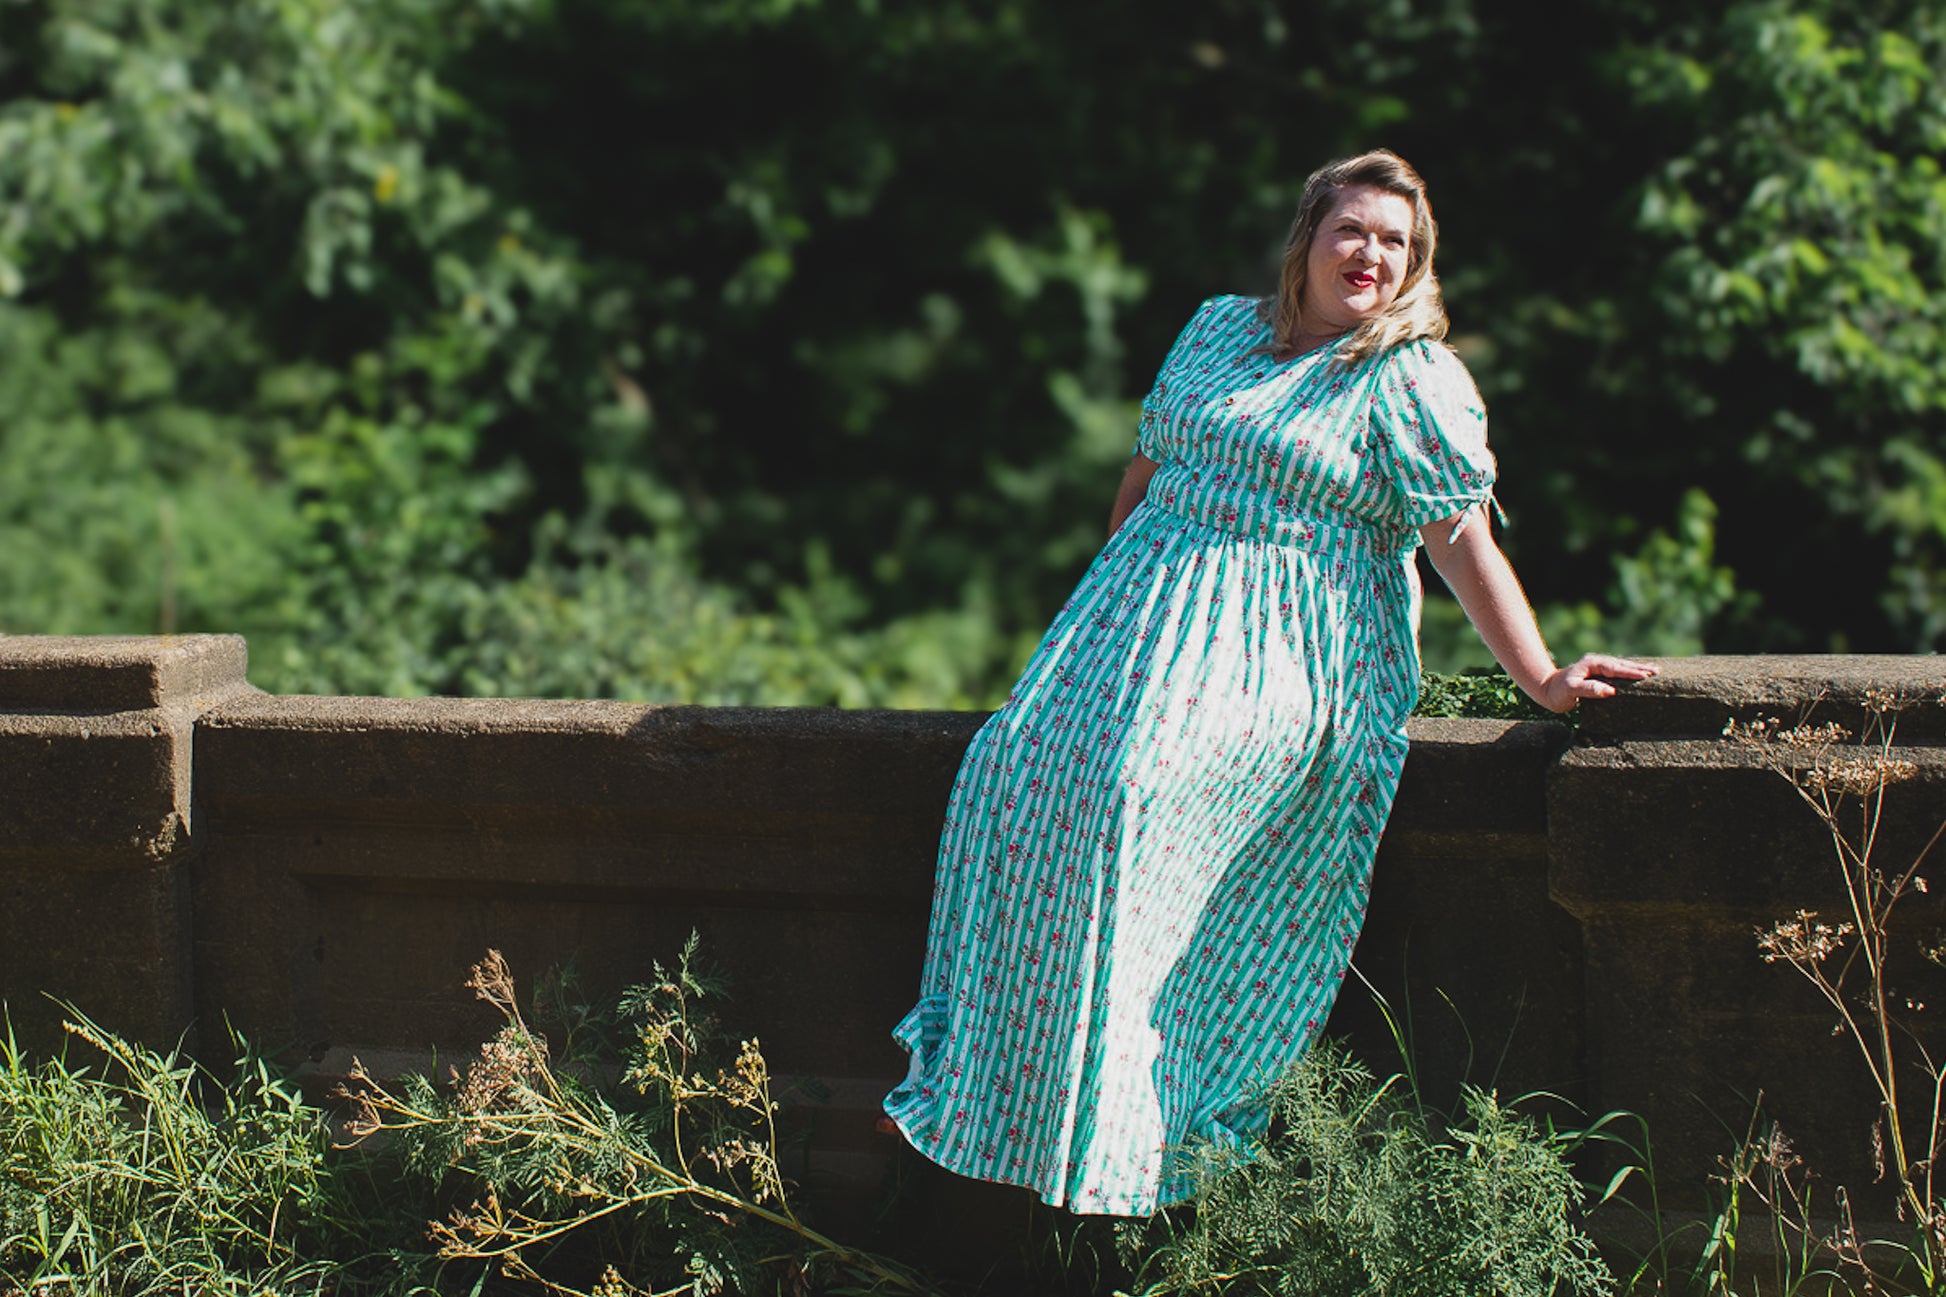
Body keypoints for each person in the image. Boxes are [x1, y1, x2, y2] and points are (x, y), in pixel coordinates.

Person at [882, 149, 1657, 1216]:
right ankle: (994, 1093)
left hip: (1286, 643)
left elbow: (1457, 536)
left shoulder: (1409, 379)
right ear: (1308, 240)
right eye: (1354, 230)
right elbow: (1144, 472)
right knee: (1006, 770)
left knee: (1135, 789)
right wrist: (1098, 619)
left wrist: (1539, 677)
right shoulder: (1215, 330)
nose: (1371, 255)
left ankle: (1129, 1130)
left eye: (1395, 242)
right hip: (1133, 621)